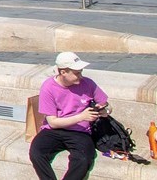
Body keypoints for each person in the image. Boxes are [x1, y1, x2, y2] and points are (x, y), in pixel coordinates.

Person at [29, 52, 110, 180]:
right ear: (63, 72)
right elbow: (53, 123)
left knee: (83, 158)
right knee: (37, 153)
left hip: (80, 132)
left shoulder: (88, 83)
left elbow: (106, 104)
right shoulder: (48, 87)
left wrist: (105, 111)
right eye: (77, 73)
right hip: (54, 130)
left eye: (81, 72)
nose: (80, 76)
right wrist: (81, 117)